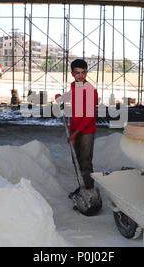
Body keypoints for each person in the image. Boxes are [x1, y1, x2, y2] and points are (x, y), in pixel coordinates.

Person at [56, 59, 98, 198]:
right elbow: (72, 97)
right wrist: (61, 97)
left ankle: (90, 191)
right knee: (76, 160)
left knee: (85, 161)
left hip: (86, 131)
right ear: (72, 73)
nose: (80, 76)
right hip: (74, 128)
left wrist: (75, 134)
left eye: (83, 73)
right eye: (77, 73)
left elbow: (88, 117)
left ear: (86, 72)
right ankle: (82, 187)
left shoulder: (91, 90)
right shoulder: (74, 85)